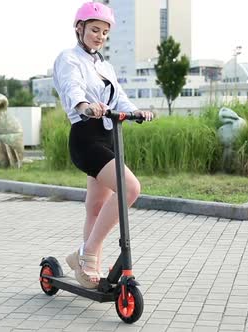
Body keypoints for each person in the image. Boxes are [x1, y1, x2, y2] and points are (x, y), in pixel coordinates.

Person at [53, 2, 153, 289]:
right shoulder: (68, 59)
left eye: (105, 32)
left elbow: (118, 97)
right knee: (130, 188)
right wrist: (84, 105)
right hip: (86, 137)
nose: (100, 36)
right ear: (79, 28)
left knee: (96, 208)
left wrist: (136, 111)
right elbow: (72, 87)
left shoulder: (104, 65)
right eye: (95, 29)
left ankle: (86, 267)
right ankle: (88, 254)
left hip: (108, 135)